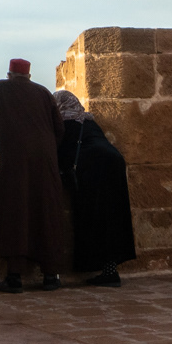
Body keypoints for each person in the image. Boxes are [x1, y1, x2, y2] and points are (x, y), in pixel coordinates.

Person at [0, 58, 67, 292]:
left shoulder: (1, 88)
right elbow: (59, 128)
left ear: (10, 74)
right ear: (30, 76)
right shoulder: (44, 93)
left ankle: (14, 276)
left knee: (16, 211)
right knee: (46, 211)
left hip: (16, 159)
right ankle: (50, 276)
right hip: (45, 159)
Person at [54, 89, 137, 287]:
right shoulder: (88, 120)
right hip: (114, 164)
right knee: (114, 219)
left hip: (95, 171)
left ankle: (101, 269)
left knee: (94, 219)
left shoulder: (65, 123)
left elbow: (62, 154)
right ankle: (110, 270)